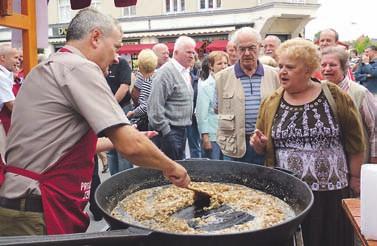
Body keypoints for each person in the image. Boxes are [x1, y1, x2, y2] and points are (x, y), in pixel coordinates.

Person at [0, 8, 189, 236]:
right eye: (116, 47)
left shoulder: (45, 68)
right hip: (38, 208)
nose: (117, 56)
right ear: (96, 37)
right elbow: (130, 146)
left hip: (21, 203)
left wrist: (116, 142)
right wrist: (174, 168)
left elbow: (58, 146)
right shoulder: (80, 67)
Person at [251, 38, 365, 246]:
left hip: (331, 193)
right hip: (290, 193)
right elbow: (263, 145)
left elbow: (355, 141)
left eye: (290, 67)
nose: (282, 72)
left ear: (307, 70)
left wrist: (355, 179)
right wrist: (259, 144)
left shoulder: (334, 95)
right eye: (280, 66)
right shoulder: (271, 102)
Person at [215, 27, 280, 164]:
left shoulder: (275, 75)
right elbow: (217, 108)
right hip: (234, 146)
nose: (247, 53)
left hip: (266, 144)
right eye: (242, 49)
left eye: (251, 48)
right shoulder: (222, 78)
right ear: (236, 50)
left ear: (260, 47)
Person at [321, 46, 377, 163]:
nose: (327, 69)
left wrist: (373, 160)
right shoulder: (317, 91)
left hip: (356, 161)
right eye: (323, 65)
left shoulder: (360, 93)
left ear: (344, 68)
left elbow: (374, 129)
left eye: (332, 65)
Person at [148, 35, 196, 160]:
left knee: (179, 168)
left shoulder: (185, 72)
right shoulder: (165, 73)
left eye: (193, 52)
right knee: (170, 172)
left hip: (182, 130)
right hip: (169, 131)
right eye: (188, 52)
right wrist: (166, 132)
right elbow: (154, 107)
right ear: (176, 52)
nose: (192, 55)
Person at [196, 51, 229, 160]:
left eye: (225, 63)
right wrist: (205, 137)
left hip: (228, 135)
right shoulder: (205, 86)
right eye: (219, 63)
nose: (223, 66)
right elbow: (201, 114)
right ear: (211, 66)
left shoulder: (231, 83)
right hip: (213, 136)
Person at [105, 55, 133, 175]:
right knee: (110, 150)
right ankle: (113, 184)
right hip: (104, 110)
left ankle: (124, 183)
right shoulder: (99, 64)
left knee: (123, 149)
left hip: (122, 108)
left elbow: (125, 86)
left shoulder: (121, 63)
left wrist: (111, 105)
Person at [127, 49, 158, 131]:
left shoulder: (148, 80)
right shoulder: (157, 76)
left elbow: (145, 106)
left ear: (140, 65)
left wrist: (132, 113)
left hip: (150, 122)